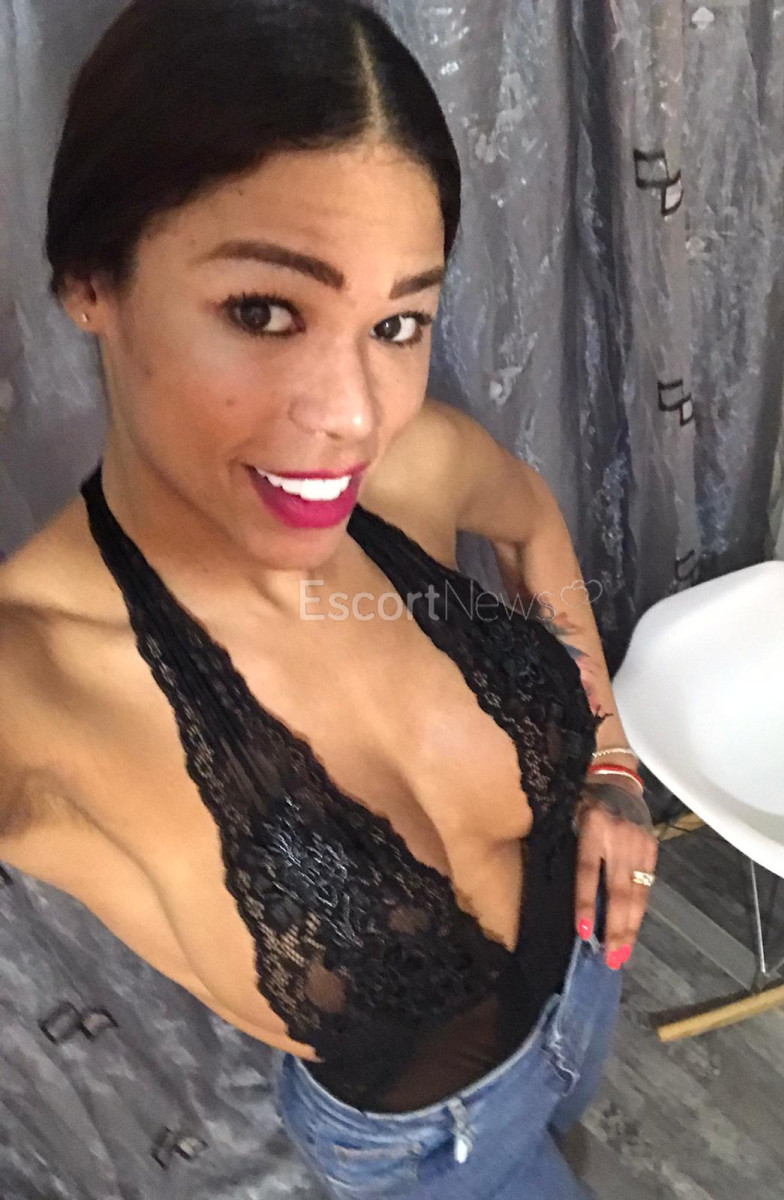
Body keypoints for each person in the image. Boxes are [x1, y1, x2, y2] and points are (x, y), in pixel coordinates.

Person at [0, 0, 658, 1195]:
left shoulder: (409, 473)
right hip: (430, 1148)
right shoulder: (32, 681)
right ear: (91, 280)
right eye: (263, 310)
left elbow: (529, 524)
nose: (354, 414)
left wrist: (608, 765)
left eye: (397, 322)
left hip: (585, 978)